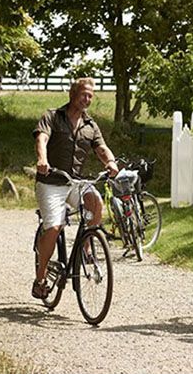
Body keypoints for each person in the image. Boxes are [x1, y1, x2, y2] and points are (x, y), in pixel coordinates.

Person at [31, 77, 119, 299]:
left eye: (90, 96)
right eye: (83, 94)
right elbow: (42, 139)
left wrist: (110, 162)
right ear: (72, 94)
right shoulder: (52, 116)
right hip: (51, 181)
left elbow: (101, 148)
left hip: (76, 182)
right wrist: (42, 160)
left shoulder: (91, 125)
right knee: (53, 227)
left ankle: (86, 248)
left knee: (96, 202)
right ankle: (40, 279)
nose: (87, 99)